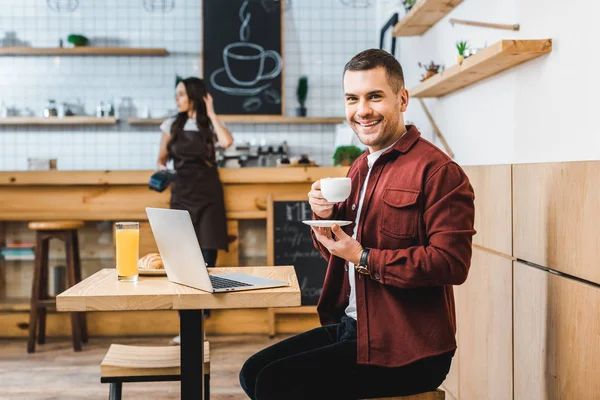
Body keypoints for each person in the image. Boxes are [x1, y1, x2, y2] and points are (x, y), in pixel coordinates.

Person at [239, 49, 476, 399]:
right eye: (352, 98)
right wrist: (323, 219)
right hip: (355, 328)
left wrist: (364, 257)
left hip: (409, 350)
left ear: (403, 99)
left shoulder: (439, 172)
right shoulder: (360, 167)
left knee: (275, 383)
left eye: (374, 96)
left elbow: (451, 263)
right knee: (253, 373)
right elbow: (341, 250)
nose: (362, 110)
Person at [157, 77, 234, 343]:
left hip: (208, 194)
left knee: (207, 261)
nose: (176, 99)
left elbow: (226, 142)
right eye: (176, 94)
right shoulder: (171, 124)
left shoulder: (208, 124)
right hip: (181, 194)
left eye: (181, 94)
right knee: (181, 259)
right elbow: (161, 158)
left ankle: (197, 324)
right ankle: (187, 326)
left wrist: (211, 113)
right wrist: (163, 172)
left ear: (193, 96)